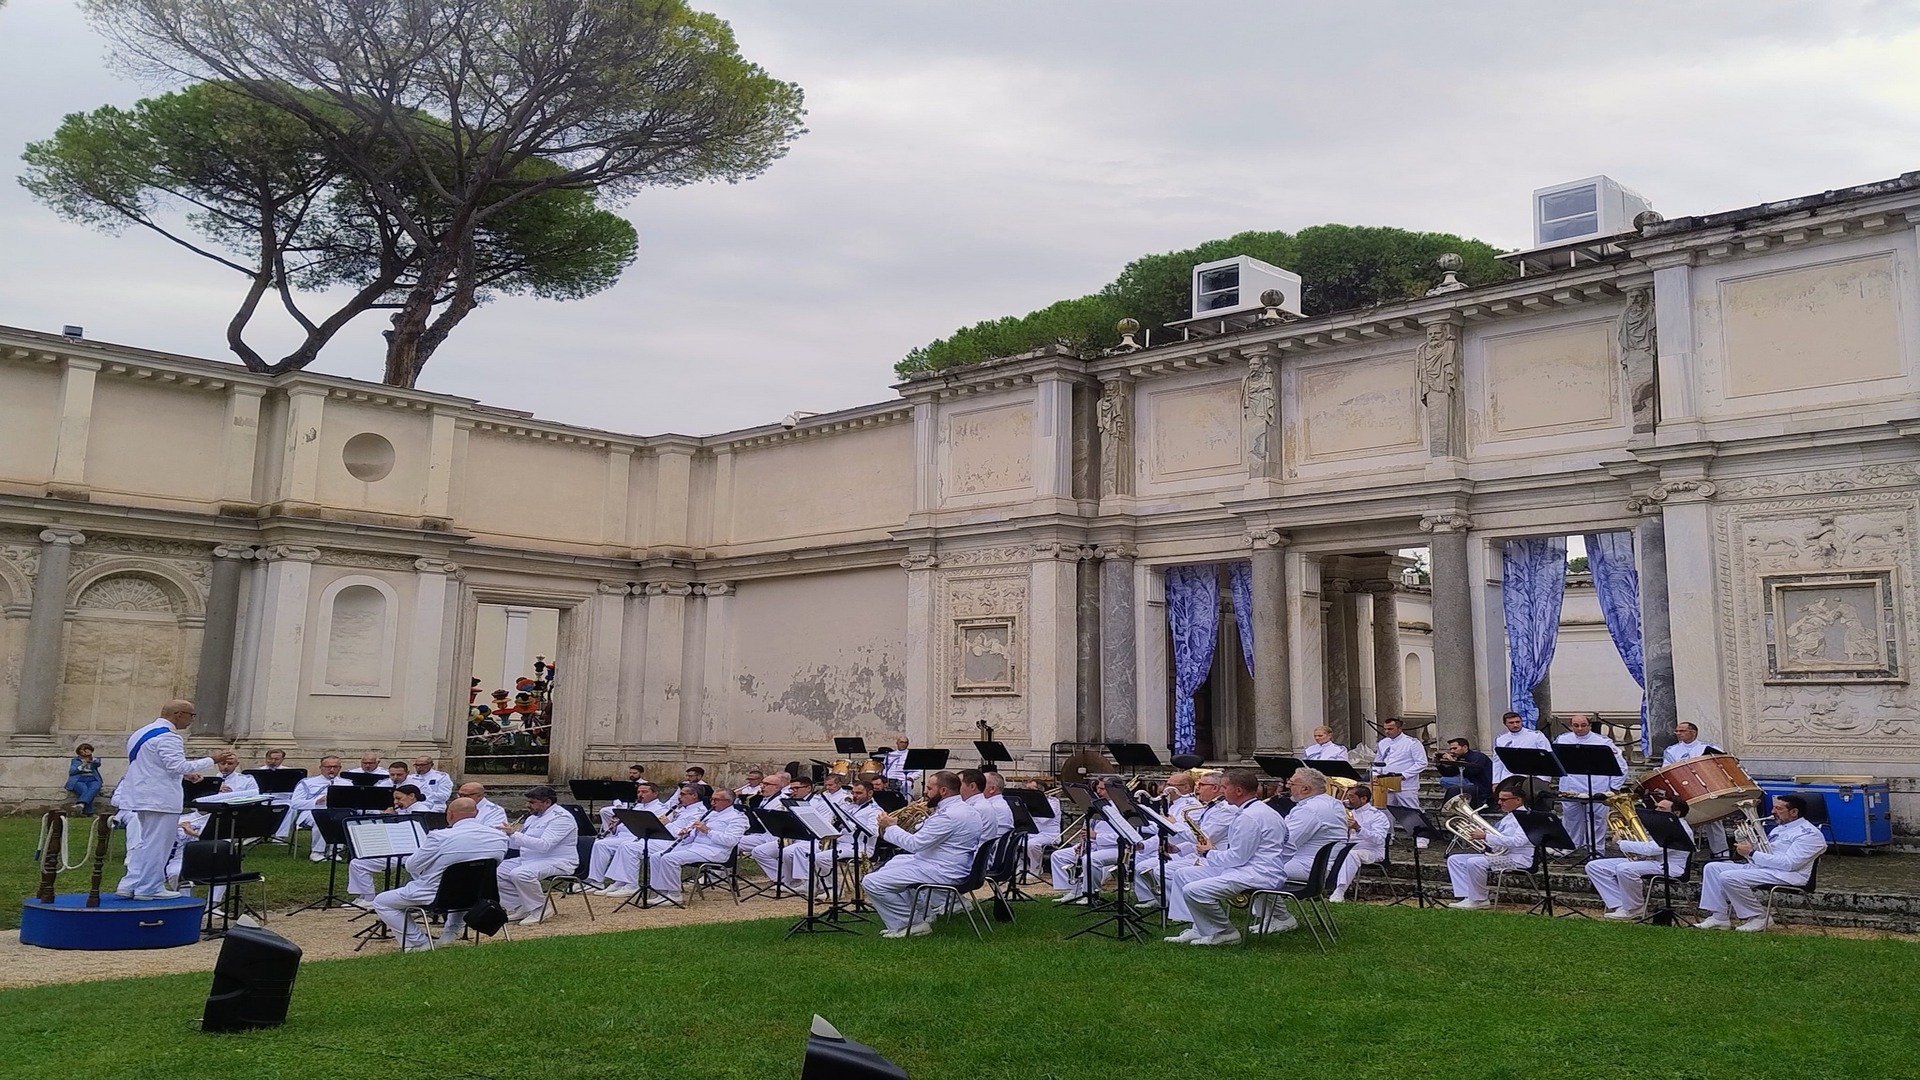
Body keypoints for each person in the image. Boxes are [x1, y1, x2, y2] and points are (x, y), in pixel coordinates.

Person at [1165, 768, 1288, 946]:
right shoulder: (1258, 810)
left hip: (1257, 874)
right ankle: (1198, 929)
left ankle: (1224, 932)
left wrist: (1208, 852)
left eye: (1223, 787)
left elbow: (1237, 858)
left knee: (1193, 890)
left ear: (1238, 791)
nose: (1221, 792)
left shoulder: (1250, 816)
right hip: (1251, 869)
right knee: (1185, 875)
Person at [112, 700, 217, 900]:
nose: (192, 720)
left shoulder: (141, 733)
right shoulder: (168, 737)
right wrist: (212, 760)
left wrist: (185, 776)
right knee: (158, 845)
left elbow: (154, 764)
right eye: (191, 715)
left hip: (141, 794)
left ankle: (130, 883)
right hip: (160, 798)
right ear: (178, 714)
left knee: (144, 842)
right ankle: (149, 887)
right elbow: (177, 766)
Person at [373, 797, 510, 950]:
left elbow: (412, 865)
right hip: (479, 894)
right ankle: (449, 936)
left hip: (436, 894)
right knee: (463, 888)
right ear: (476, 813)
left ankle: (419, 943)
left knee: (382, 901)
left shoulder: (440, 836)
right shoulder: (499, 837)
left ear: (450, 814)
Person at [866, 771, 984, 938]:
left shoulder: (948, 815)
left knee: (872, 882)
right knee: (895, 862)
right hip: (949, 863)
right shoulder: (963, 809)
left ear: (943, 791)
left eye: (929, 788)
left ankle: (909, 924)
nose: (925, 792)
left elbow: (915, 845)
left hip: (943, 870)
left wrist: (891, 826)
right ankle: (921, 915)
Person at [1695, 793, 1827, 933]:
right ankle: (1719, 917)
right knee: (1712, 868)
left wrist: (1752, 853)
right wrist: (1746, 845)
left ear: (1794, 812)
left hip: (1789, 875)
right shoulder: (1779, 828)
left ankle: (1759, 916)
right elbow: (1764, 854)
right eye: (1773, 808)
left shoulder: (1810, 834)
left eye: (1778, 809)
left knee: (1729, 877)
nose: (1772, 812)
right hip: (1766, 869)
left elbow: (1790, 864)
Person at [1586, 796, 1694, 920]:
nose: (1656, 810)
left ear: (1676, 813)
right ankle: (1620, 905)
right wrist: (1630, 838)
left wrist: (1622, 843)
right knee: (1594, 866)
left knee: (1625, 869)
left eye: (1662, 808)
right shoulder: (1660, 824)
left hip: (1670, 867)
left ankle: (1635, 908)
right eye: (1657, 806)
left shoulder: (1681, 829)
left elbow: (1652, 849)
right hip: (1650, 861)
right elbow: (1644, 845)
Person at [639, 787, 749, 904]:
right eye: (712, 799)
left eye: (716, 800)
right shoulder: (711, 813)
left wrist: (708, 831)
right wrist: (687, 833)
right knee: (657, 856)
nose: (712, 803)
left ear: (728, 802)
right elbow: (695, 835)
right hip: (695, 847)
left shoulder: (738, 818)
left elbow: (731, 841)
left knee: (669, 859)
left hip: (715, 851)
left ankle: (673, 895)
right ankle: (661, 892)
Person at [1445, 781, 1539, 910]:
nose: (1500, 802)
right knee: (1454, 860)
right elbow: (1498, 839)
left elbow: (1518, 842)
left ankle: (1479, 900)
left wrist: (1486, 836)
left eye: (1504, 799)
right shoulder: (1508, 818)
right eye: (1499, 799)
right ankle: (1467, 897)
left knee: (1475, 862)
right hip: (1504, 855)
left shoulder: (1527, 818)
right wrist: (1480, 837)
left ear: (1518, 800)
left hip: (1518, 859)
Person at [496, 785, 580, 925]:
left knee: (521, 874)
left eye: (532, 802)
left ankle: (540, 909)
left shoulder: (562, 818)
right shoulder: (532, 818)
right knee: (495, 871)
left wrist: (514, 833)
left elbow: (544, 845)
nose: (528, 805)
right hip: (530, 859)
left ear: (547, 802)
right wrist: (504, 837)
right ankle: (520, 906)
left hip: (559, 861)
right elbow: (521, 844)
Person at [346, 784, 432, 907]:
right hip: (402, 849)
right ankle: (364, 896)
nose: (396, 802)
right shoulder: (407, 810)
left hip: (410, 852)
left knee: (359, 864)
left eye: (399, 798)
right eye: (394, 799)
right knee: (357, 862)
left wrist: (389, 817)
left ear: (412, 796)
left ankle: (369, 898)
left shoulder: (420, 810)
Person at [1554, 714, 1627, 856]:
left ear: (1590, 725)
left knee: (1597, 819)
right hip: (1571, 786)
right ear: (1571, 726)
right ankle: (1571, 846)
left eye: (1583, 725)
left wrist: (1614, 787)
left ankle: (1596, 849)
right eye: (1576, 725)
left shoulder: (1603, 742)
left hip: (1597, 786)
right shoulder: (1562, 740)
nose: (1579, 728)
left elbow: (1621, 766)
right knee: (1571, 818)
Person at [1661, 722, 1729, 859]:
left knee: (1713, 818)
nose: (1678, 733)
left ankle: (1721, 853)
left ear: (1693, 732)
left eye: (1682, 731)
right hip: (1682, 789)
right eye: (1677, 731)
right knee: (1682, 819)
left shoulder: (1709, 747)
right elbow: (1666, 770)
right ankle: (1683, 855)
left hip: (1706, 788)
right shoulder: (1671, 750)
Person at [280, 756, 351, 860]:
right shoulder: (307, 782)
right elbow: (295, 803)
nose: (332, 770)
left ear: (340, 768)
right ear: (321, 767)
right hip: (311, 812)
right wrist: (316, 802)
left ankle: (335, 851)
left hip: (337, 811)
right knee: (323, 819)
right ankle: (317, 852)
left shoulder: (347, 783)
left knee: (342, 818)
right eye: (328, 767)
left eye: (335, 767)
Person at [1331, 783, 1391, 902]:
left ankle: (1339, 891)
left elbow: (1379, 839)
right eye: (1347, 796)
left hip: (1371, 851)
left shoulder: (1378, 816)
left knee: (1352, 854)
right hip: (1348, 847)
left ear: (1363, 799)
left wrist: (1358, 828)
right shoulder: (1348, 813)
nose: (1348, 800)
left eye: (1352, 797)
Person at [1371, 717, 1427, 810]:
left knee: (1412, 811)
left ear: (1399, 728)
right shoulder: (1383, 743)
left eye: (1390, 729)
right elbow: (1378, 762)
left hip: (1405, 785)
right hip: (1385, 784)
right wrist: (1375, 774)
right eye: (1385, 729)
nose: (1387, 731)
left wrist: (1403, 775)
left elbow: (1421, 763)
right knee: (1386, 812)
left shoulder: (1412, 743)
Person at [1491, 711, 1554, 792]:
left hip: (1532, 778)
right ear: (1505, 724)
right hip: (1508, 777)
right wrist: (1496, 781)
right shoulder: (1500, 739)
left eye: (1517, 722)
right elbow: (1497, 762)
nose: (1515, 725)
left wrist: (1545, 779)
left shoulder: (1536, 736)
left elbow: (1547, 757)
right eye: (1511, 723)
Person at [1434, 738, 1493, 806]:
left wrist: (1453, 761)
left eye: (1455, 748)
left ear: (1465, 747)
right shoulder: (1460, 758)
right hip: (1468, 782)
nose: (1452, 751)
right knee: (1444, 780)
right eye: (1450, 749)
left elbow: (1472, 772)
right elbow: (1449, 773)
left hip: (1480, 784)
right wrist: (1439, 764)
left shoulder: (1478, 757)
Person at [65, 743, 103, 814]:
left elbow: (97, 763)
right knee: (85, 790)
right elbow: (72, 772)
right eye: (82, 751)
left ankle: (81, 804)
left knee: (95, 788)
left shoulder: (95, 759)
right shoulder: (75, 760)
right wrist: (82, 765)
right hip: (79, 780)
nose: (84, 753)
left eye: (86, 750)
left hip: (93, 779)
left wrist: (90, 761)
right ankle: (89, 812)